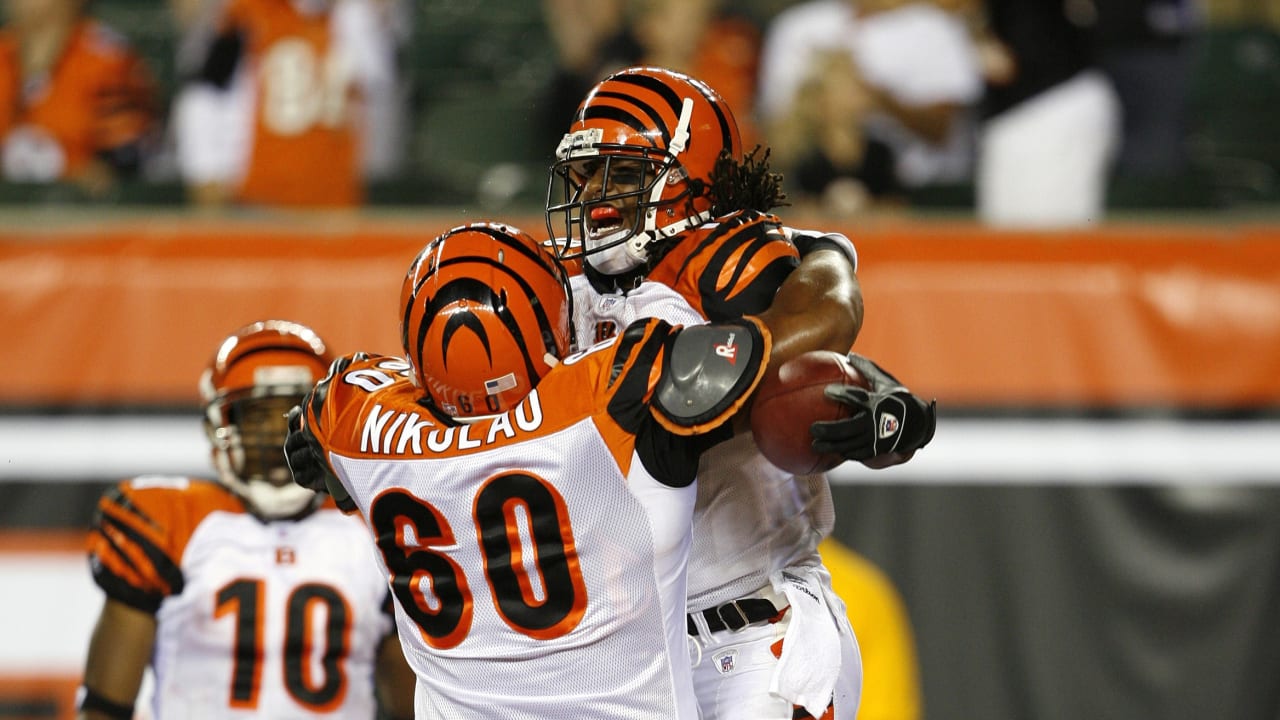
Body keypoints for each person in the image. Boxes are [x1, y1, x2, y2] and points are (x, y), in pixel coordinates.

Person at [285, 221, 823, 717]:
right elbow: (776, 355)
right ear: (547, 332)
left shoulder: (353, 420)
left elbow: (318, 435)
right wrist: (825, 261)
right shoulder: (607, 395)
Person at [545, 66, 937, 719]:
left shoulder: (724, 265)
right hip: (625, 651)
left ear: (685, 175)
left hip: (755, 632)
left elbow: (825, 295)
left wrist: (815, 382)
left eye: (622, 171)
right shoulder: (558, 291)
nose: (593, 194)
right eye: (589, 171)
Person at [77, 320, 415, 720]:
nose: (276, 434)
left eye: (291, 414)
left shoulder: (372, 529)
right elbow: (104, 707)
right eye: (257, 415)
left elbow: (411, 707)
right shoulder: (171, 524)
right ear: (222, 425)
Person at [0, 0, 157, 198]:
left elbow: (125, 153)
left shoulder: (106, 57)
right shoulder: (3, 51)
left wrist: (89, 173)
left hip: (83, 211)